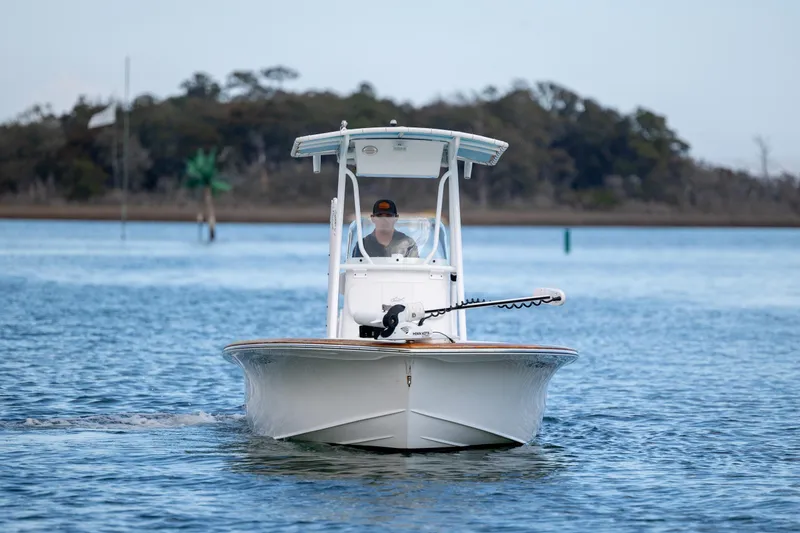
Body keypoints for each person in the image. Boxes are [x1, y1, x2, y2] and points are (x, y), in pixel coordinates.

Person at [352, 199, 419, 258]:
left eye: (388, 215)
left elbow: (415, 266)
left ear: (396, 218)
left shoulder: (408, 244)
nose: (384, 219)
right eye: (379, 215)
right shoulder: (362, 246)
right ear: (372, 218)